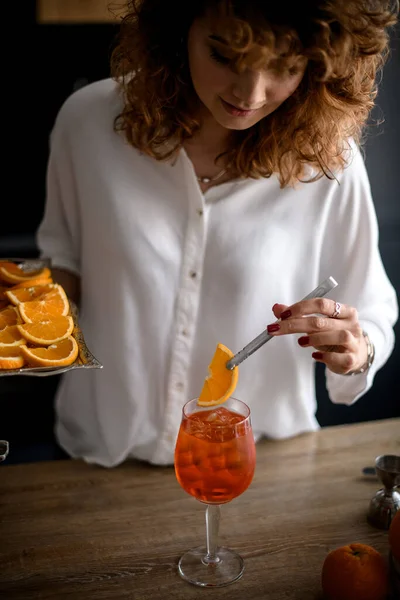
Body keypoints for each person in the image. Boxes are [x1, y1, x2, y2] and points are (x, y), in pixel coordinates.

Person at [37, 0, 398, 468]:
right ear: (178, 28)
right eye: (226, 57)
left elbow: (371, 312)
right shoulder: (87, 123)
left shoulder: (328, 162)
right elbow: (61, 260)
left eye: (285, 67)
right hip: (99, 456)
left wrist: (356, 347)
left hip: (260, 466)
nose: (251, 93)